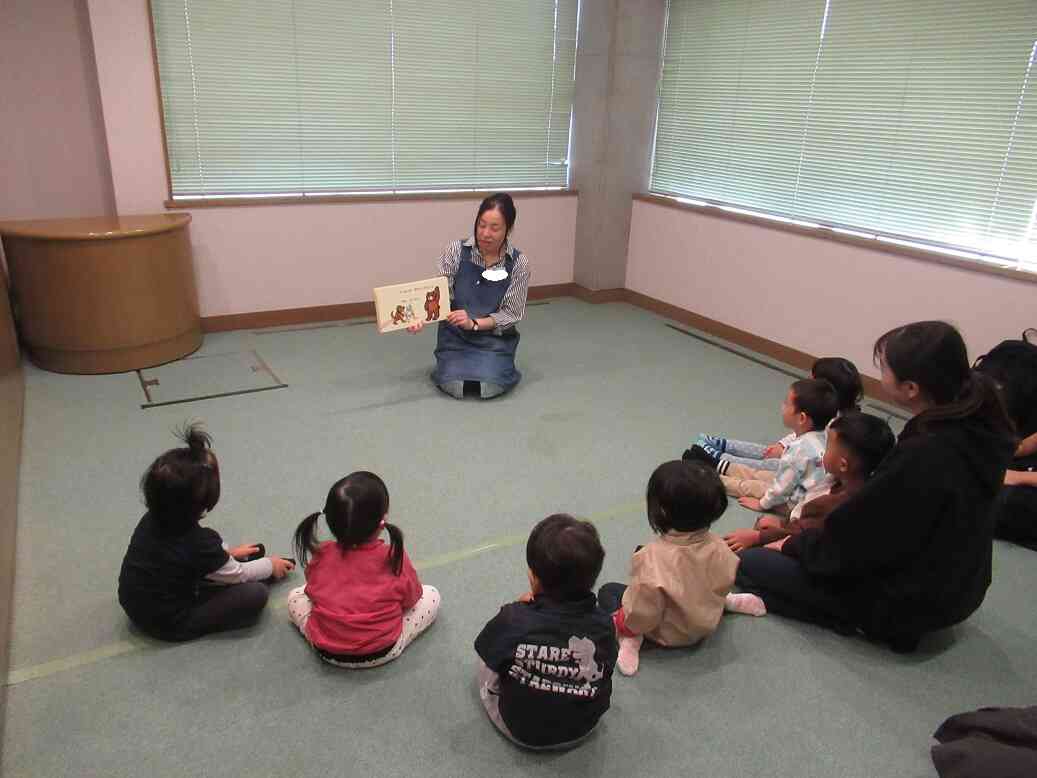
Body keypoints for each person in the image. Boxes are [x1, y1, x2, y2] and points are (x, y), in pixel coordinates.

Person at [736, 321, 1016, 652]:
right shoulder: (978, 419)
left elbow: (858, 539)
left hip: (910, 604)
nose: (880, 375)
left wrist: (790, 543)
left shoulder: (926, 453)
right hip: (960, 589)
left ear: (911, 388)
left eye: (884, 368)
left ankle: (858, 622)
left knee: (750, 565)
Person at [117, 424, 294, 641]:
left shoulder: (152, 518)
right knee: (255, 593)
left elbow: (183, 555)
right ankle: (211, 589)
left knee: (246, 556)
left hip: (135, 601)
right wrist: (271, 565)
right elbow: (240, 574)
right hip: (169, 621)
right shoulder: (201, 542)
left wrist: (227, 555)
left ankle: (222, 567)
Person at [474, 514, 617, 749]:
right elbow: (608, 665)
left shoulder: (513, 619)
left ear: (533, 577)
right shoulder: (603, 624)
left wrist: (518, 608)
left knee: (487, 660)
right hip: (584, 728)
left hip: (521, 731)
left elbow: (485, 649)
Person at [597, 461, 742, 676]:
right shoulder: (721, 546)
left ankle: (631, 640)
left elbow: (642, 611)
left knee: (609, 592)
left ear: (662, 511)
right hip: (706, 618)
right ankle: (729, 602)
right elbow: (723, 579)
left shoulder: (651, 559)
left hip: (670, 633)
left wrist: (627, 625)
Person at [287, 471, 439, 668]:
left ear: (330, 520)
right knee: (432, 595)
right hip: (383, 650)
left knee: (294, 596)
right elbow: (412, 598)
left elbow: (311, 592)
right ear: (382, 521)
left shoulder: (321, 554)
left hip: (326, 650)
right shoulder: (393, 557)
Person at [408, 192, 530, 399]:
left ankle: (495, 364)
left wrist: (474, 323)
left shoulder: (518, 263)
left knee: (489, 386)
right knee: (454, 384)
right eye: (481, 225)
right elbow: (440, 294)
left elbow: (512, 313)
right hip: (455, 337)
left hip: (493, 339)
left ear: (508, 229)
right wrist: (420, 317)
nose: (485, 233)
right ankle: (453, 364)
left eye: (495, 228)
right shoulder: (455, 251)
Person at [723, 411, 895, 553]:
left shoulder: (838, 506)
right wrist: (782, 523)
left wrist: (757, 538)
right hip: (797, 526)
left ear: (843, 464)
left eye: (828, 447)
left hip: (807, 550)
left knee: (748, 559)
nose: (823, 452)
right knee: (764, 518)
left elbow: (803, 536)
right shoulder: (842, 481)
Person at [685, 378, 838, 515]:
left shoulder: (799, 450)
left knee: (748, 486)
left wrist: (763, 504)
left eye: (786, 403)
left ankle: (703, 476)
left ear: (802, 418)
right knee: (758, 473)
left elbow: (781, 489)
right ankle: (715, 463)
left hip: (794, 502)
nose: (782, 406)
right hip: (798, 487)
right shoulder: (822, 436)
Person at [694, 357, 862, 471]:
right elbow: (800, 434)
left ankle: (720, 457)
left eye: (812, 378)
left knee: (768, 464)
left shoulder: (836, 426)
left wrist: (785, 451)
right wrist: (782, 445)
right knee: (766, 451)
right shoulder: (825, 410)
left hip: (802, 466)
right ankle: (722, 444)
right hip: (795, 451)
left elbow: (811, 454)